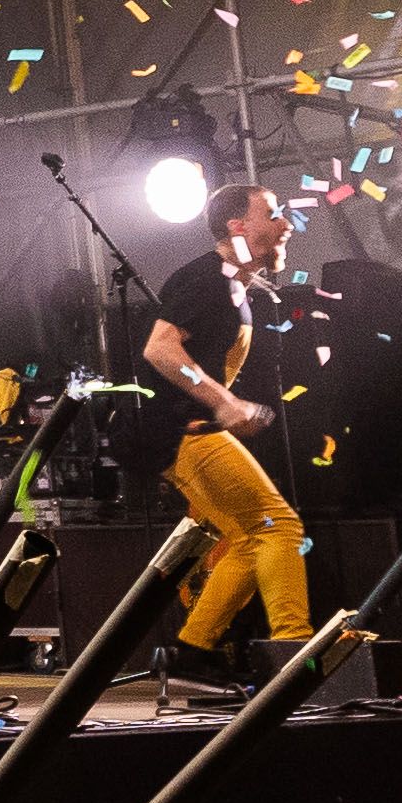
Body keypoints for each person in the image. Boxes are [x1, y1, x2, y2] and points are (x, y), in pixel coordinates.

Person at [142, 184, 311, 654]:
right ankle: (293, 650)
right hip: (183, 429)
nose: (285, 225)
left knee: (244, 539)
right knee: (280, 528)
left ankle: (196, 650)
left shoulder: (236, 285)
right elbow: (159, 347)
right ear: (238, 226)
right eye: (273, 215)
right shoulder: (207, 278)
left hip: (185, 429)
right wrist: (223, 402)